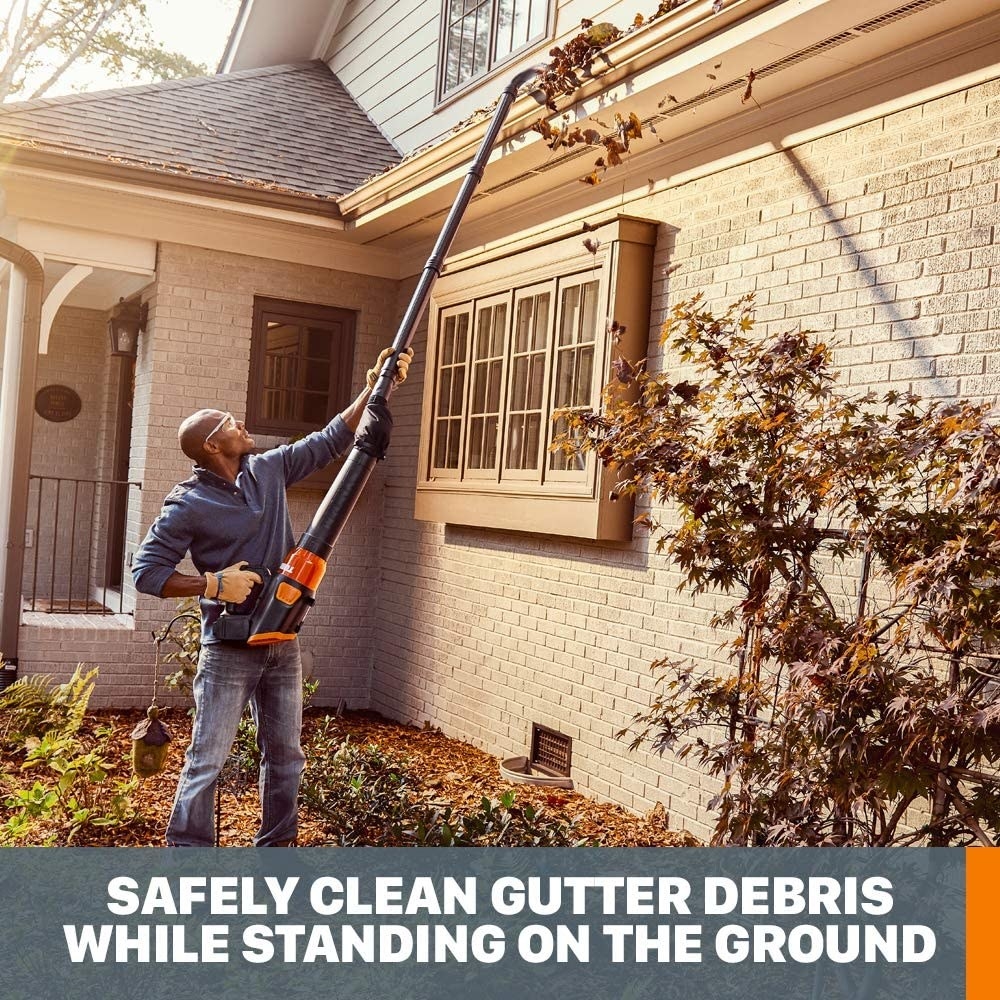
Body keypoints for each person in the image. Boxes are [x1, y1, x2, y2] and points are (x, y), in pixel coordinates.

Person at [133, 346, 413, 847]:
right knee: (207, 760)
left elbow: (331, 441)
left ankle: (277, 852)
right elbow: (146, 572)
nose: (241, 424)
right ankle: (188, 858)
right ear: (213, 446)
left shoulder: (268, 469)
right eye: (230, 423)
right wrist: (212, 584)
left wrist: (376, 386)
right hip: (229, 650)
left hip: (282, 642)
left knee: (285, 756)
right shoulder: (188, 505)